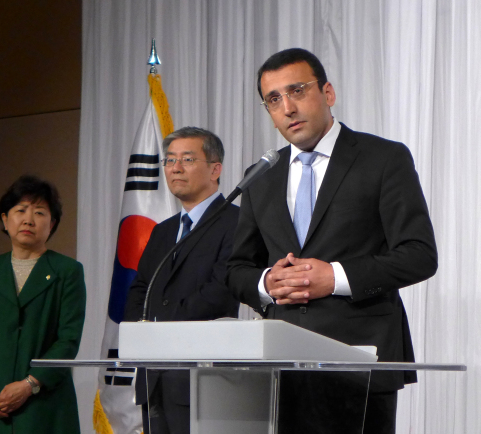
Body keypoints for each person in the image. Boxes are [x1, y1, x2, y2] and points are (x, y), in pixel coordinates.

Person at [226, 48, 438, 434]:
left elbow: (419, 255)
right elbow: (237, 269)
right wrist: (266, 283)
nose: (287, 107)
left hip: (360, 360)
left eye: (297, 91)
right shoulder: (261, 176)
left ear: (328, 93)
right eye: (274, 99)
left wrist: (336, 278)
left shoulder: (383, 158)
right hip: (280, 363)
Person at [123, 126, 240, 434]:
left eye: (187, 159)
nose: (175, 168)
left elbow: (220, 291)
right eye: (170, 160)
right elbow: (139, 290)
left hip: (204, 379)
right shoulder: (163, 231)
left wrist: (159, 328)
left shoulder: (237, 222)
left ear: (215, 169)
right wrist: (143, 329)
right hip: (153, 378)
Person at [0, 175, 86, 434]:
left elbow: (68, 339)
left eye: (39, 212)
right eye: (20, 211)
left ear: (52, 225)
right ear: (5, 220)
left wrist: (30, 384)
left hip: (44, 406)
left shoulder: (67, 271)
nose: (28, 219)